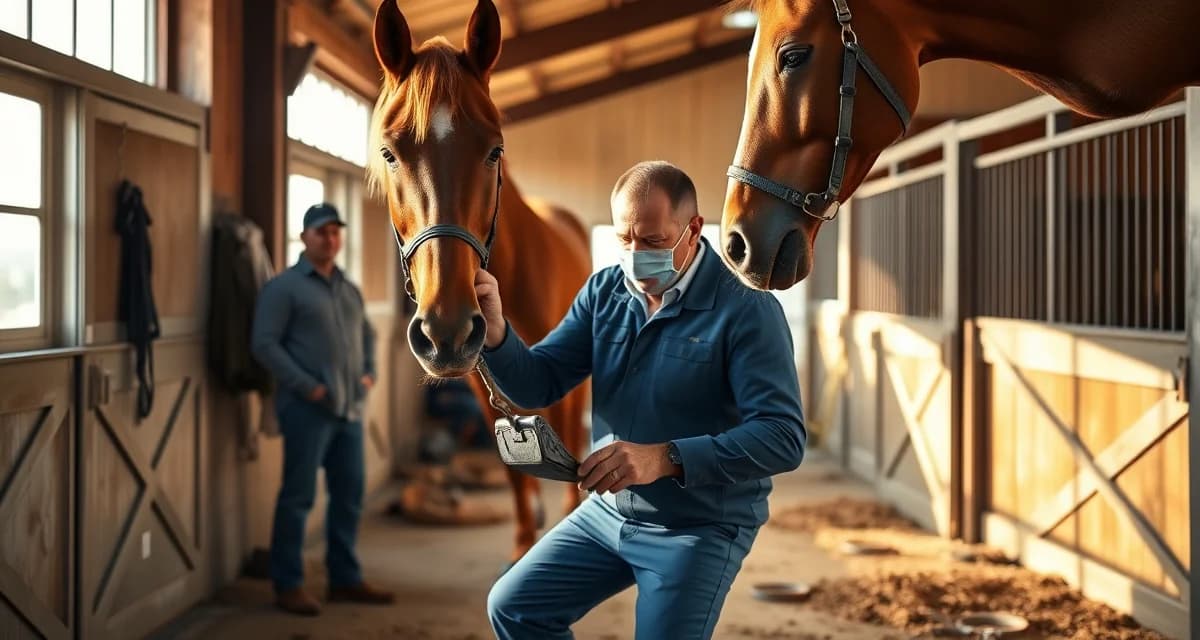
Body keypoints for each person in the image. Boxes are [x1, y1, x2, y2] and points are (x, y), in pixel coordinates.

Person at [476, 161, 806, 639]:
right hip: (609, 510)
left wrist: (666, 457)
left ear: (693, 229)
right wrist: (498, 334)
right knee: (513, 606)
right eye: (623, 239)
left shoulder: (747, 309)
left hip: (698, 525)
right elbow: (539, 383)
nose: (634, 255)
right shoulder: (604, 292)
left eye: (651, 242)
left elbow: (783, 437)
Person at [251, 203, 394, 616]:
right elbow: (264, 344)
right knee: (298, 497)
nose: (330, 239)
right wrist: (307, 387)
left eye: (335, 232)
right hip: (306, 410)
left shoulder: (347, 287)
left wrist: (368, 373)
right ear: (304, 238)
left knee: (349, 496)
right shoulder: (283, 288)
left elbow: (366, 336)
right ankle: (288, 584)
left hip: (350, 411)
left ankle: (345, 579)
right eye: (321, 232)